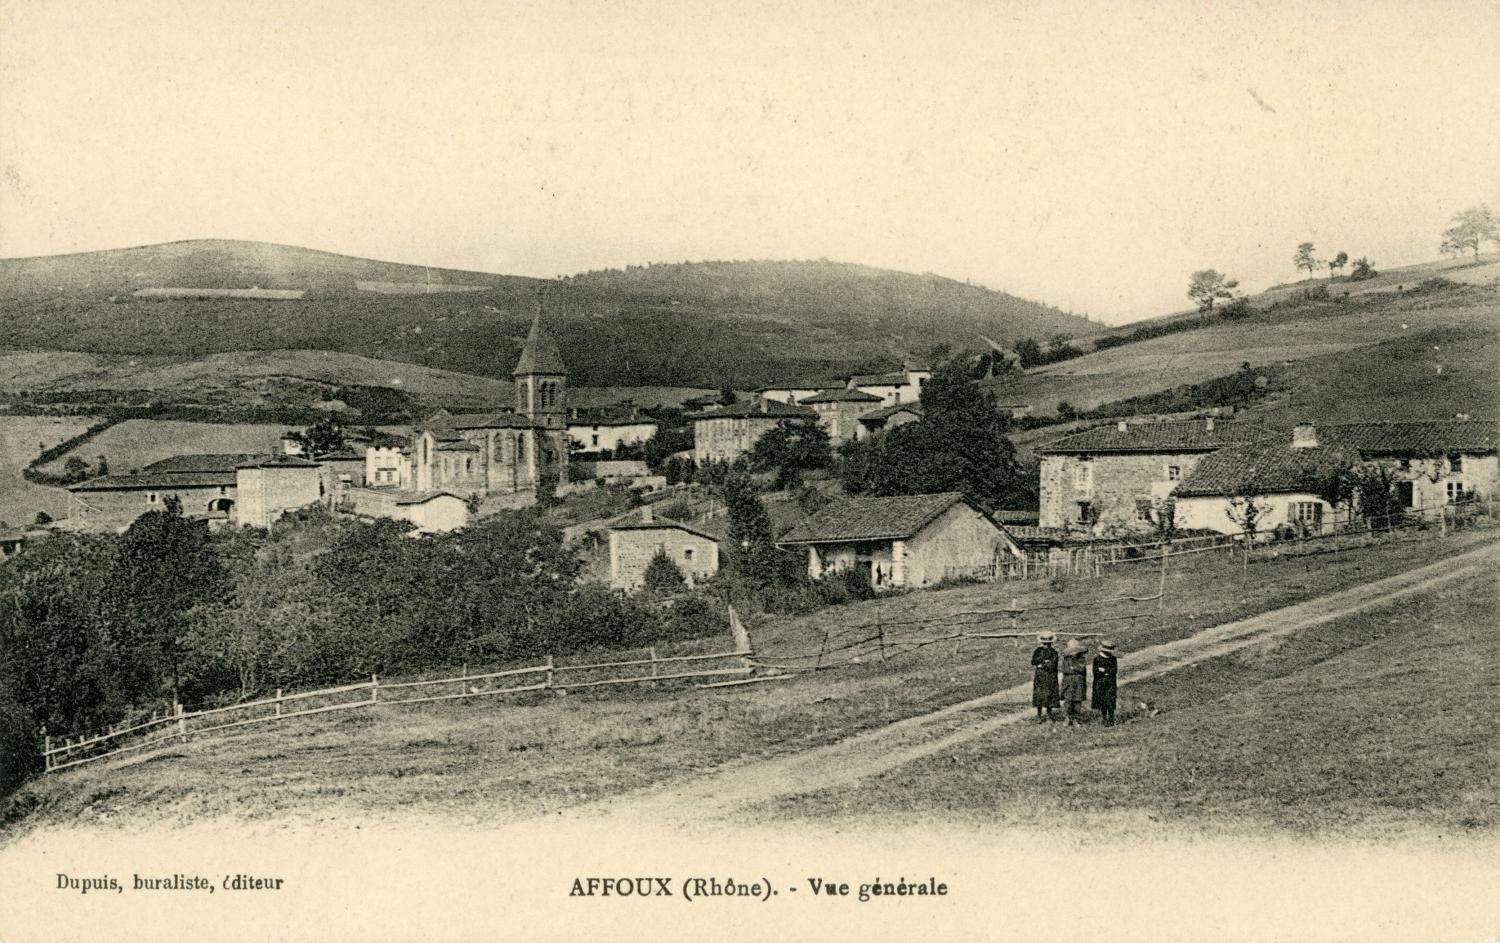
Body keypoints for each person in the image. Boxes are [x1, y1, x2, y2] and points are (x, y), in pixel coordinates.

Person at [1031, 632, 1060, 722]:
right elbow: (1033, 661)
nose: (1046, 645)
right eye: (1044, 643)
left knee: (1050, 694)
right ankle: (1039, 714)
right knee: (1039, 694)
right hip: (1040, 676)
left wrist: (1042, 664)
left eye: (1048, 643)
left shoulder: (1053, 652)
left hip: (1050, 676)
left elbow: (1052, 665)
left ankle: (1049, 714)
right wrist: (1044, 661)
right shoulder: (1038, 651)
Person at [1060, 639, 1089, 726]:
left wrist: (1074, 668)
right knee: (1068, 701)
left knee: (1077, 701)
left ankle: (1076, 719)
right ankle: (1068, 718)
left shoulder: (1081, 659)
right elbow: (1065, 670)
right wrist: (1074, 669)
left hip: (1079, 682)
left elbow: (1082, 669)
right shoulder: (1066, 659)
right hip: (1068, 682)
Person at [1092, 639, 1119, 726]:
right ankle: (1104, 719)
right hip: (1100, 683)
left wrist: (1104, 670)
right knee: (1102, 701)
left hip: (1111, 683)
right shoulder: (1097, 659)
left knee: (1110, 700)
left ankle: (1111, 719)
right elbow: (1096, 672)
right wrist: (1107, 672)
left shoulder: (1113, 659)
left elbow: (1114, 670)